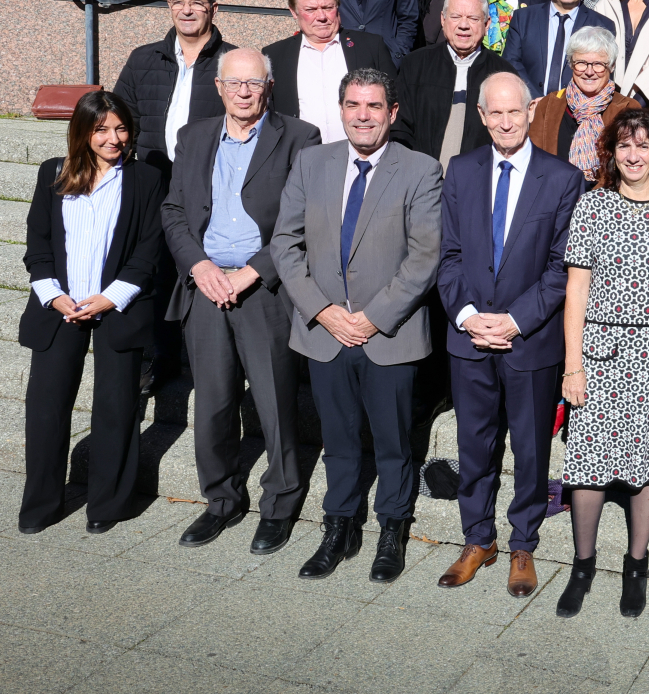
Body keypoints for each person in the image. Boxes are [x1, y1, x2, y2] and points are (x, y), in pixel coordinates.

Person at [271, 66, 441, 584]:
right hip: (325, 332)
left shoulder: (420, 169)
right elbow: (285, 243)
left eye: (373, 107)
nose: (362, 116)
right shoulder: (311, 162)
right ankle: (339, 524)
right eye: (353, 105)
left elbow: (424, 256)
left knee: (392, 442)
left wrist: (371, 318)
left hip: (386, 334)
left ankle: (393, 528)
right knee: (338, 440)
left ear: (391, 113)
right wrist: (322, 311)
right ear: (341, 109)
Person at [161, 50, 321, 554]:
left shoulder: (300, 136)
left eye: (255, 83)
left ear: (268, 87)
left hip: (264, 288)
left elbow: (303, 219)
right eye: (236, 83)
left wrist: (256, 271)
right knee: (212, 403)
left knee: (274, 403)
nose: (245, 91)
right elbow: (173, 210)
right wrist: (199, 266)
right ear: (218, 85)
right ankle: (221, 501)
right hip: (205, 287)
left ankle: (279, 504)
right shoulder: (194, 137)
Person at [435, 71, 585, 598]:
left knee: (529, 448)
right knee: (474, 446)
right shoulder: (461, 170)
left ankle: (523, 542)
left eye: (514, 112)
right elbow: (447, 256)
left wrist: (515, 320)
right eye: (494, 113)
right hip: (470, 338)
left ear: (530, 113)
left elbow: (561, 268)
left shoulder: (563, 178)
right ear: (481, 117)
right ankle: (479, 539)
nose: (504, 122)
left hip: (530, 340)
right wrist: (469, 315)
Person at [555, 109, 649, 618]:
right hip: (600, 355)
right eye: (625, 147)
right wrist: (572, 365)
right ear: (612, 153)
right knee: (588, 462)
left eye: (644, 146)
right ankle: (583, 564)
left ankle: (637, 565)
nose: (634, 156)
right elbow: (576, 294)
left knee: (648, 464)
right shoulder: (593, 208)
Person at [18, 92, 164, 535]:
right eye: (101, 129)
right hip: (60, 305)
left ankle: (107, 505)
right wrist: (52, 293)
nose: (113, 138)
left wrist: (112, 296)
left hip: (119, 306)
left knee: (117, 407)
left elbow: (149, 249)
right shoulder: (54, 174)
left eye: (121, 128)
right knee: (46, 408)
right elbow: (38, 244)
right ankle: (42, 504)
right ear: (83, 131)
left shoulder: (146, 180)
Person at [112, 0, 236, 184]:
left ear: (214, 9)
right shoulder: (142, 59)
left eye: (196, 3)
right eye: (178, 2)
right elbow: (123, 123)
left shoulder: (234, 62)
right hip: (150, 181)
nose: (186, 10)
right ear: (170, 6)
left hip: (210, 183)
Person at [394, 0, 521, 168]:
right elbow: (400, 129)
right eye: (455, 17)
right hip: (418, 179)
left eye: (473, 18)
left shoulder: (503, 75)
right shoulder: (414, 65)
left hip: (478, 182)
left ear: (486, 24)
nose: (463, 25)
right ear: (443, 20)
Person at [264, 0, 395, 144]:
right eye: (310, 9)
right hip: (299, 158)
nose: (321, 17)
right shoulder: (275, 55)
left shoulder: (370, 47)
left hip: (362, 155)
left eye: (328, 7)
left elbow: (394, 100)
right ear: (294, 12)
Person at [527, 26, 639, 184]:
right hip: (554, 198)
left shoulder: (628, 109)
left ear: (612, 66)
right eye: (581, 63)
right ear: (571, 64)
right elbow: (534, 161)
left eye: (599, 64)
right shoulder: (549, 105)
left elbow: (631, 167)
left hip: (605, 200)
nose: (589, 71)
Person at [504, 0, 614, 98]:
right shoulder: (523, 19)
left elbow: (602, 76)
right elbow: (511, 64)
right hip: (530, 108)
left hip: (577, 112)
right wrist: (540, 103)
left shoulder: (602, 26)